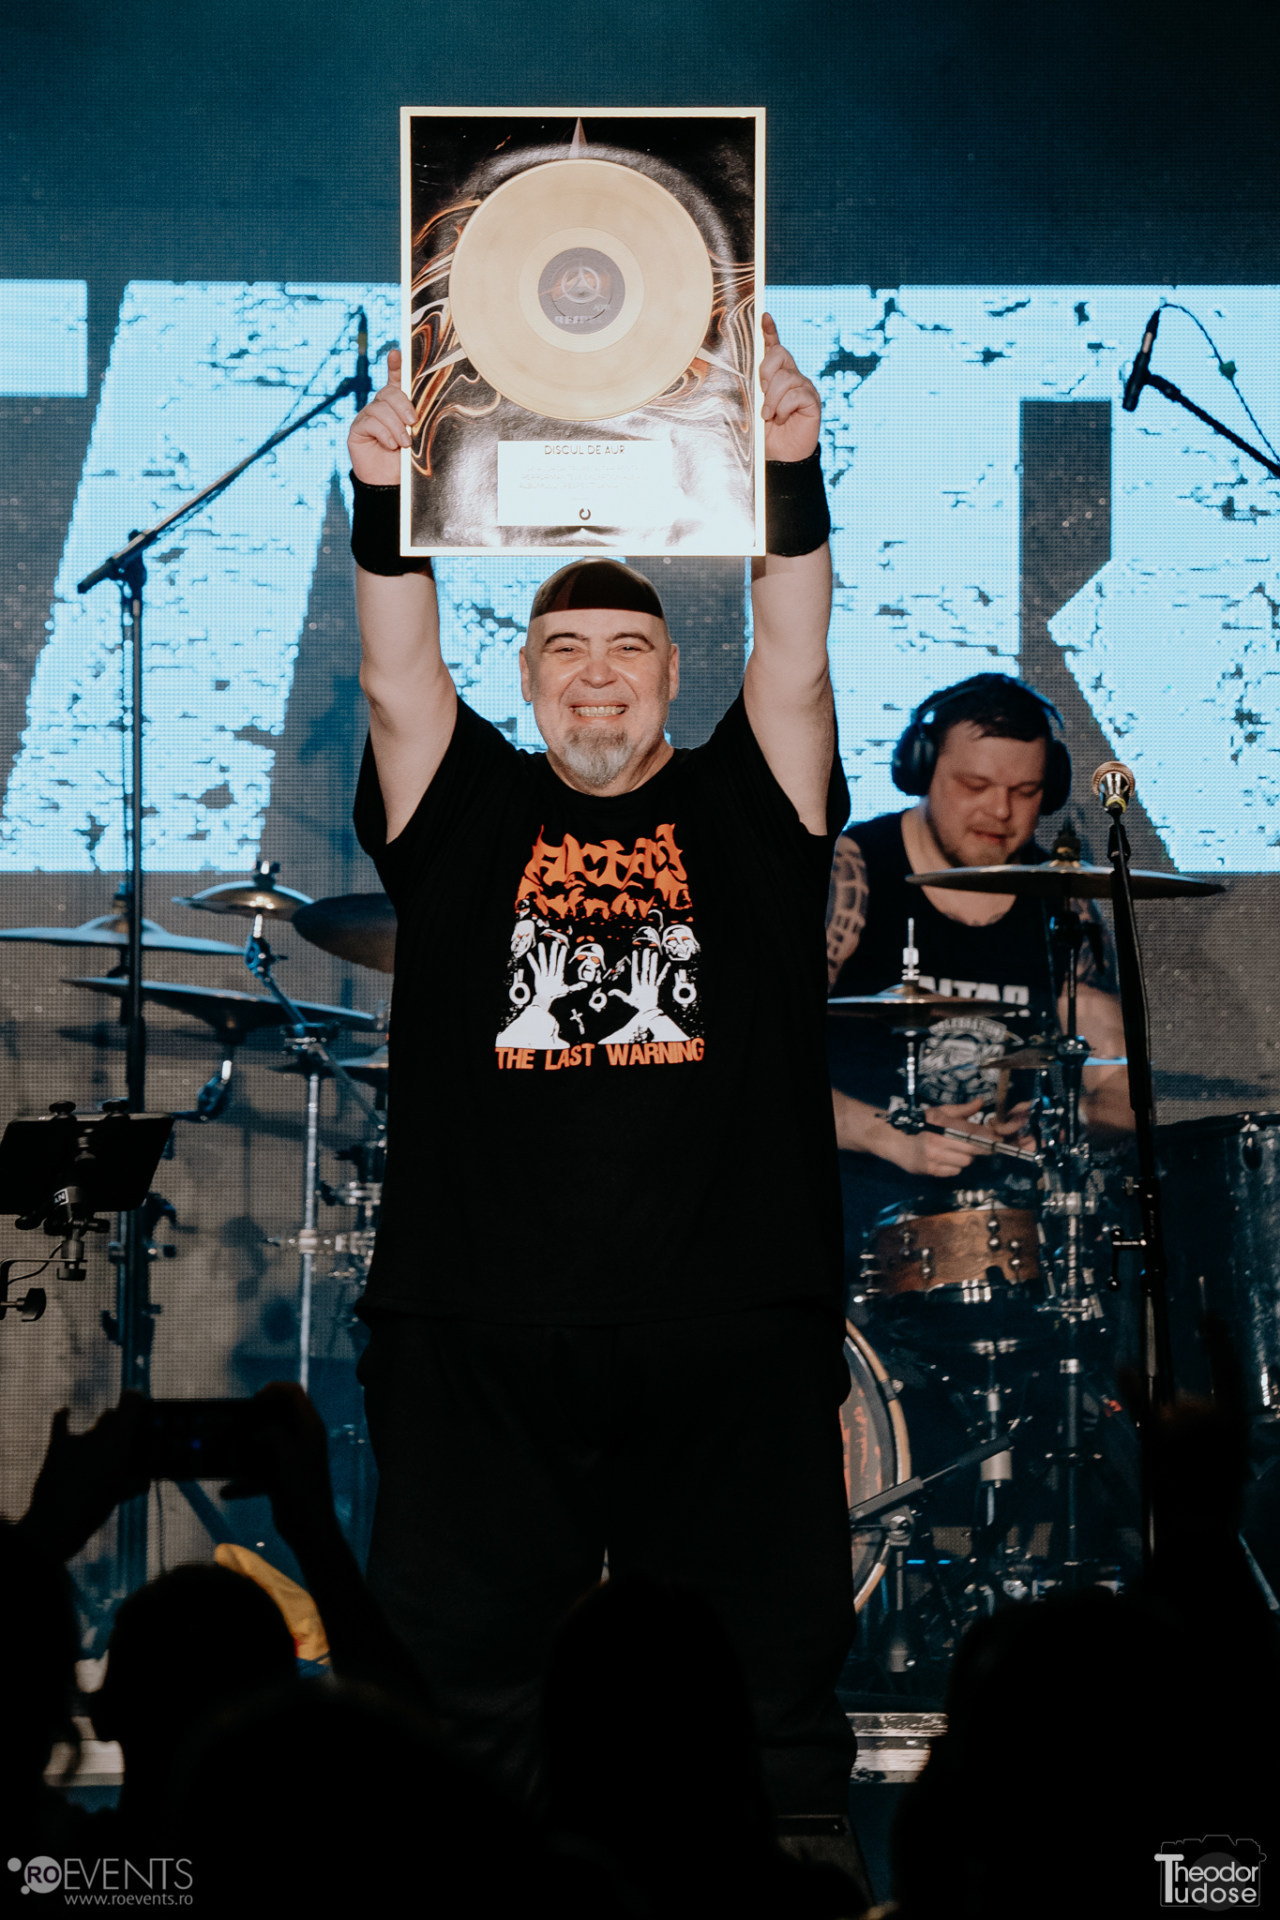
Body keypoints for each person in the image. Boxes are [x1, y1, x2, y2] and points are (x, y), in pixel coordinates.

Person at [347, 314, 862, 1854]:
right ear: (524, 677)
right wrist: (380, 496)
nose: (595, 678)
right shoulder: (463, 805)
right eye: (565, 651)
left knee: (762, 1703)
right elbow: (394, 671)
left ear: (671, 675)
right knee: (465, 1699)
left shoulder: (749, 802)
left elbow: (797, 655)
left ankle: (791, 1899)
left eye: (627, 649)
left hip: (727, 1325)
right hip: (480, 1334)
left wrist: (790, 472)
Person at [825, 673, 1131, 1265]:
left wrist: (1070, 1121)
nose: (1001, 811)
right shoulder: (849, 876)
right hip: (850, 1227)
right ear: (919, 770)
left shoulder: (1060, 904)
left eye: (1026, 791)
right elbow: (760, 1061)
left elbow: (1117, 1086)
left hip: (1005, 1241)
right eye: (975, 785)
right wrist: (886, 1133)